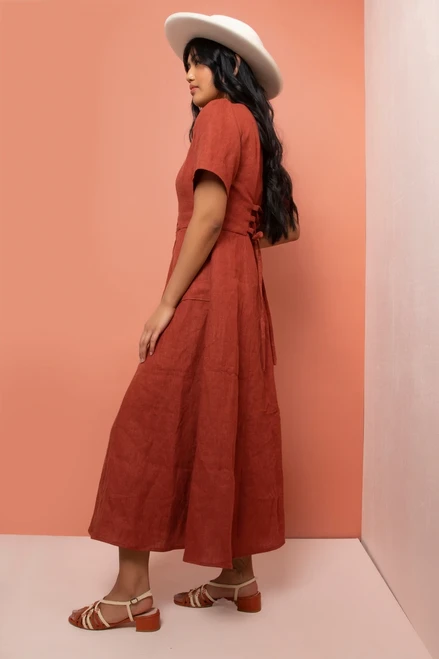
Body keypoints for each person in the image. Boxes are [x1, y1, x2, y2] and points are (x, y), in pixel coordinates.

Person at [68, 12, 300, 632]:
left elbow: (208, 216)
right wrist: (242, 245)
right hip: (243, 298)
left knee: (143, 427)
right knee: (230, 423)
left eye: (198, 61)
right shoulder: (254, 126)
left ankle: (130, 593)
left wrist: (167, 303)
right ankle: (237, 575)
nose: (189, 74)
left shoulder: (220, 117)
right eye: (187, 64)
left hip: (207, 294)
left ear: (229, 66)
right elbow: (285, 226)